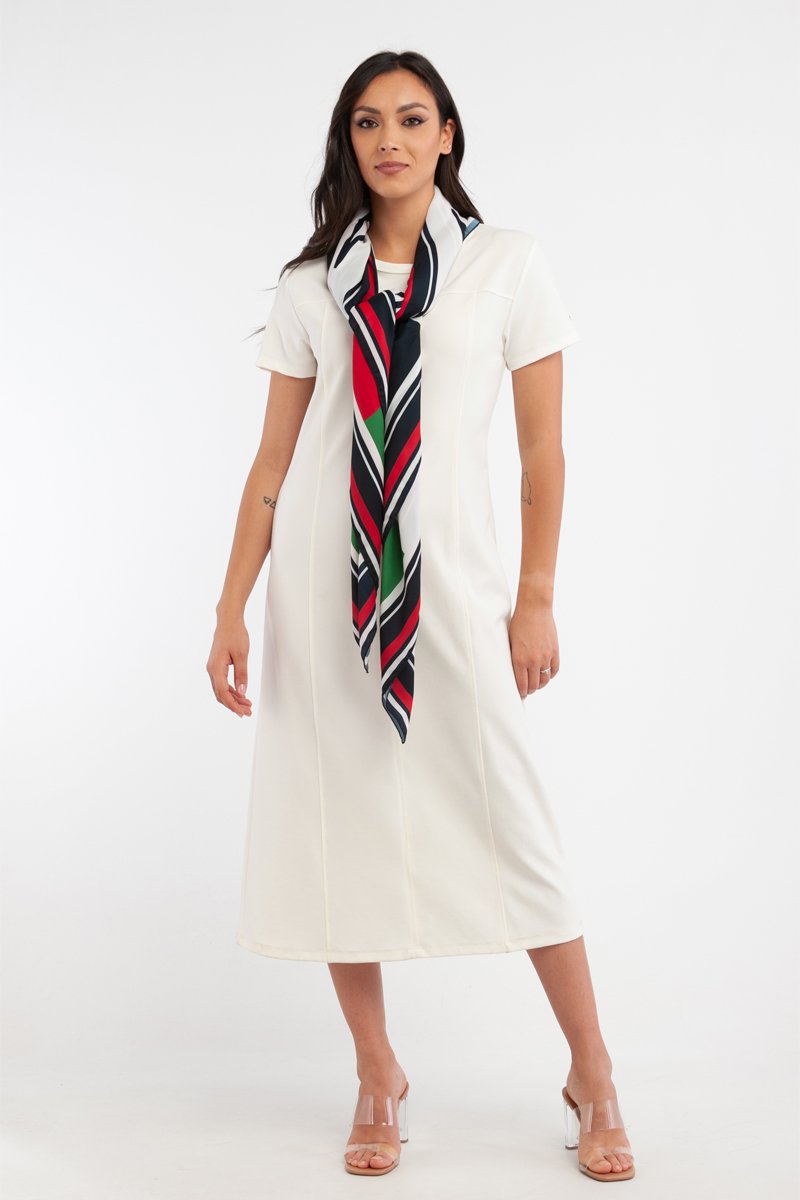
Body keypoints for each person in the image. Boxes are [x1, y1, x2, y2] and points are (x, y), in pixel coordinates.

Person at [207, 49, 636, 1183]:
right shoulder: (313, 286)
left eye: (410, 118)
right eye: (366, 122)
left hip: (451, 587)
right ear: (347, 143)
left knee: (516, 823)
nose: (387, 140)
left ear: (447, 134)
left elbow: (543, 454)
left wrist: (534, 596)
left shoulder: (505, 265)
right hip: (323, 587)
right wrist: (230, 605)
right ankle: (376, 1071)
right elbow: (272, 464)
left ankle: (592, 1071)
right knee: (337, 823)